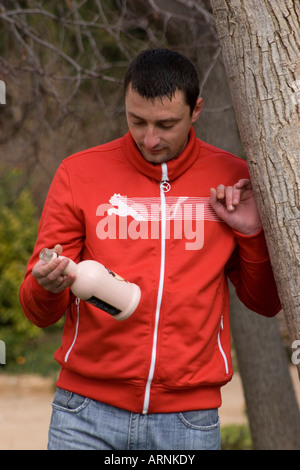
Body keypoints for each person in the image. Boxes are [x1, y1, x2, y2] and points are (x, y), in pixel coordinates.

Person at [19, 49, 281, 450]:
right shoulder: (79, 173)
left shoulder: (233, 177)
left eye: (166, 124)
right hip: (85, 414)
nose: (150, 138)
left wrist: (251, 234)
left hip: (187, 422)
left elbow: (265, 303)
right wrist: (47, 286)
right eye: (136, 121)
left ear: (196, 110)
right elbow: (37, 312)